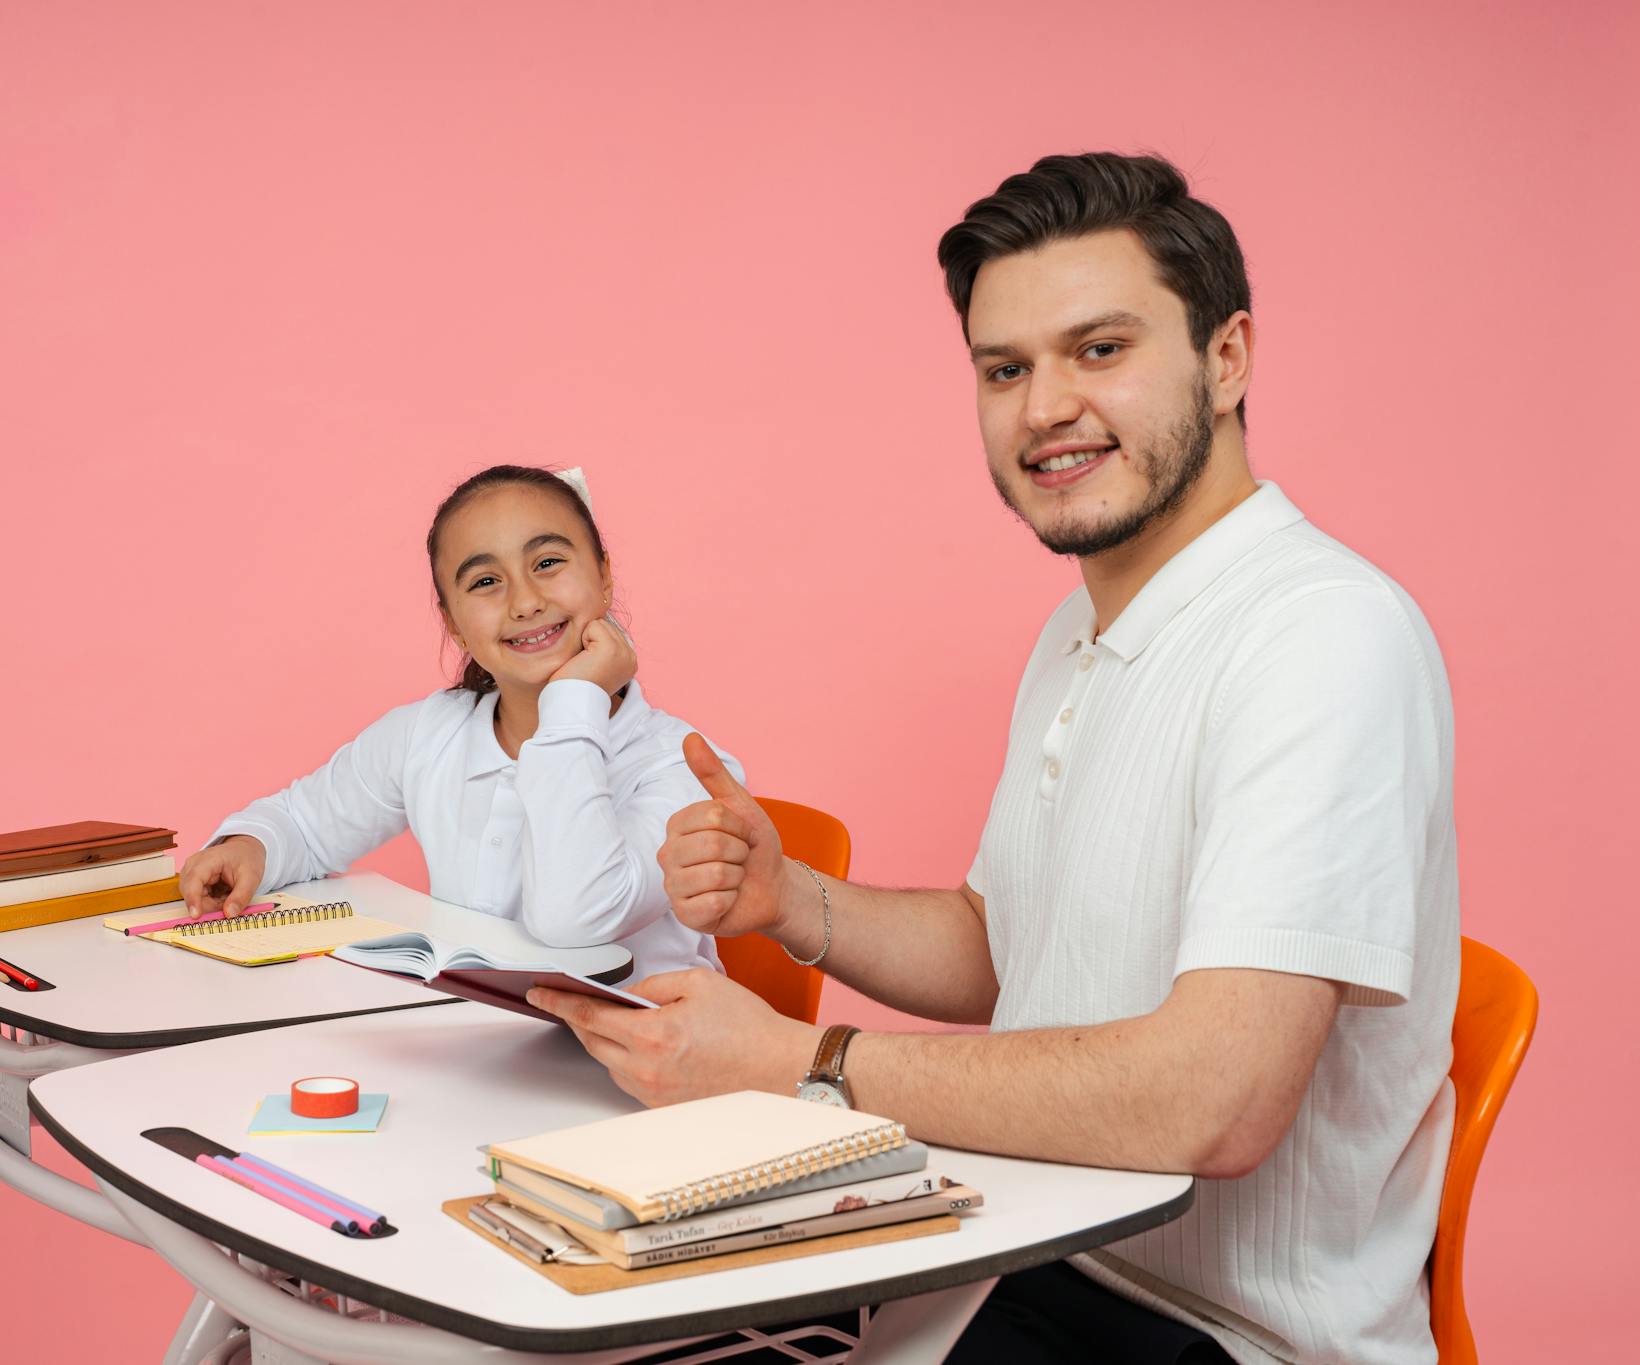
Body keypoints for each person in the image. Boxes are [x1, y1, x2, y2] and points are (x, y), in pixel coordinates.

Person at [530, 154, 1459, 1364]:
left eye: (1099, 349)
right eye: (1003, 368)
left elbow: (1210, 1102)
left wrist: (800, 1068)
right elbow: (1012, 944)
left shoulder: (1320, 637)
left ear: (1225, 359)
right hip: (1010, 1247)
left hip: (1211, 1337)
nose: (1042, 409)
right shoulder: (1080, 629)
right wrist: (790, 900)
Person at [178, 464, 739, 983]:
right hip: (478, 1058)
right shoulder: (427, 734)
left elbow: (576, 921)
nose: (525, 601)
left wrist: (574, 696)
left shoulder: (687, 766)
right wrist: (253, 845)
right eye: (485, 582)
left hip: (645, 1075)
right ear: (454, 624)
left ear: (605, 576)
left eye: (548, 563)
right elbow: (304, 823)